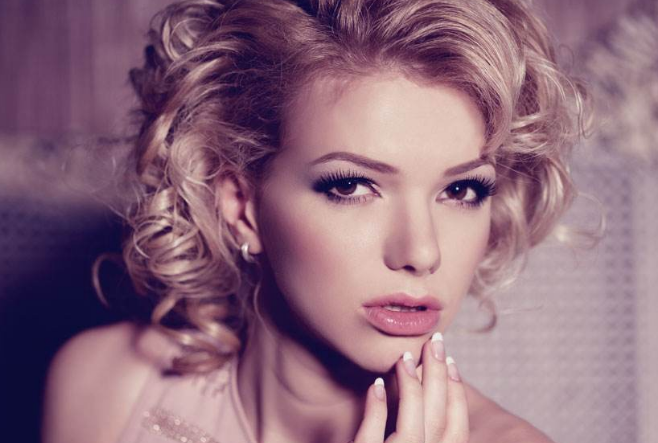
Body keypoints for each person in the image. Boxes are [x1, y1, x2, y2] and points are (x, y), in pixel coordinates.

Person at [42, 0, 589, 442]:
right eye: (351, 186)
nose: (423, 252)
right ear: (242, 206)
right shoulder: (105, 386)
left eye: (462, 190)